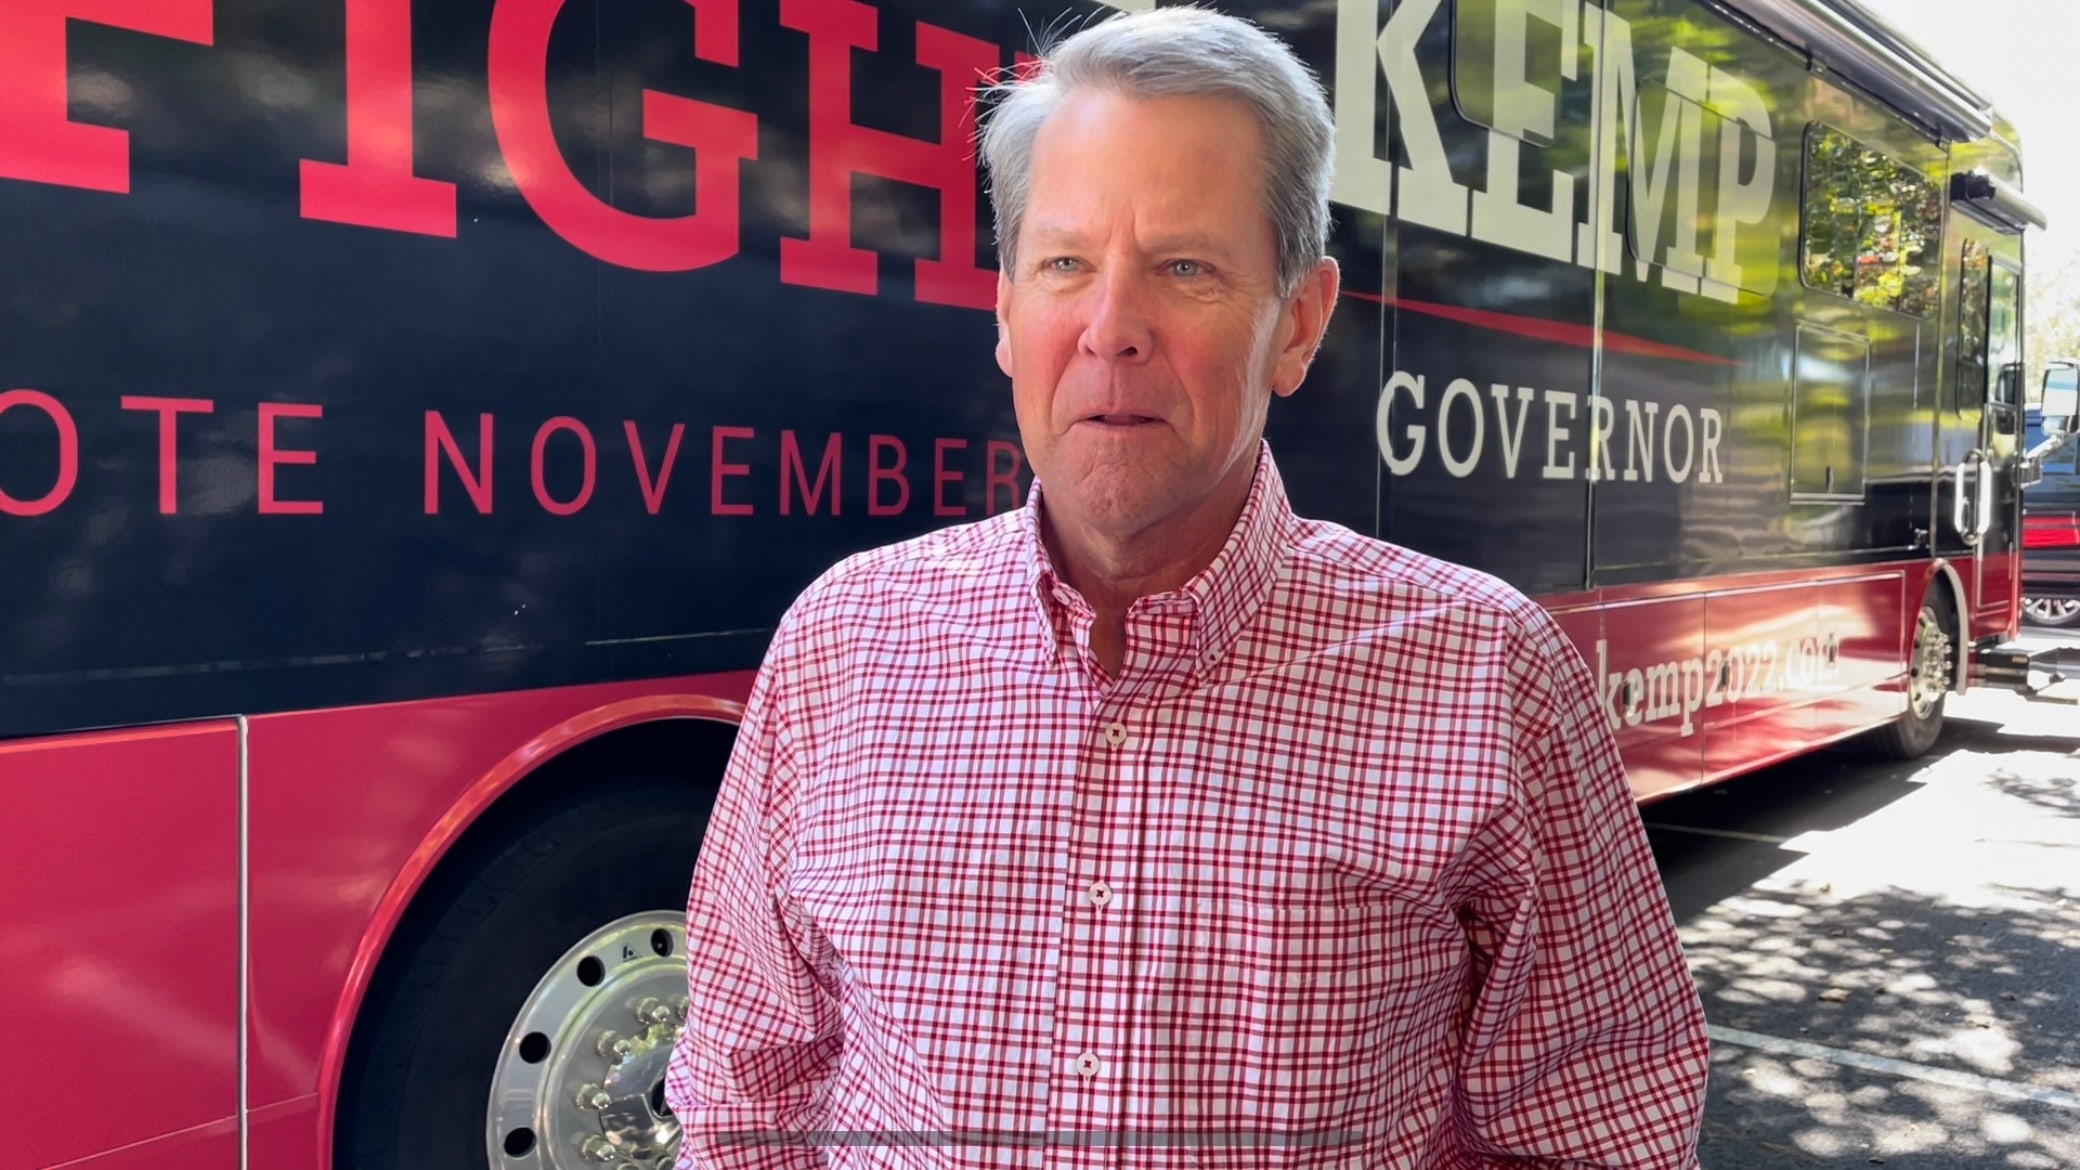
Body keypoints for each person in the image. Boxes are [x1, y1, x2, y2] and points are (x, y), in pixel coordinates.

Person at [663, 5, 1711, 1167]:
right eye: (1063, 264)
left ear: (1296, 324)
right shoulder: (842, 645)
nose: (1111, 330)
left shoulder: (1485, 674)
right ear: (1005, 312)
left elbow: (1602, 1127)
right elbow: (743, 1095)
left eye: (1184, 267)